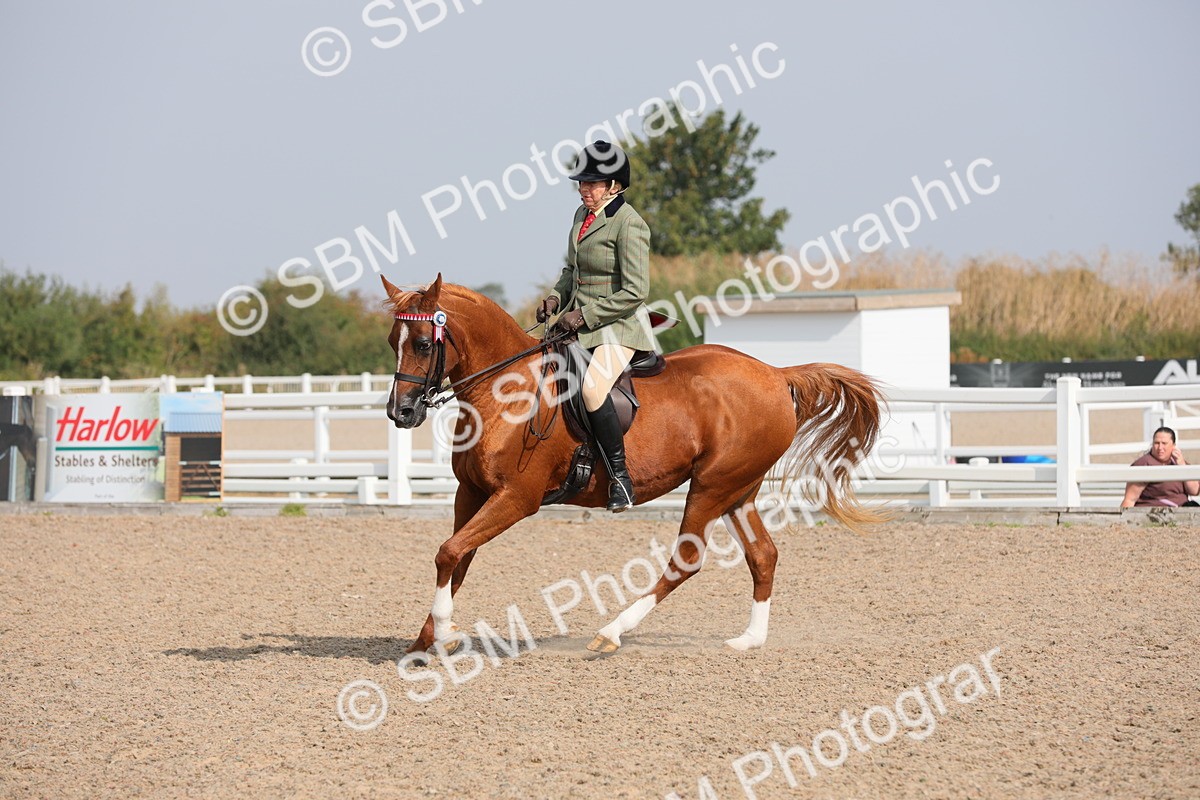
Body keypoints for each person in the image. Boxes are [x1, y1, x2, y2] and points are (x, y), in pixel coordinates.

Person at [535, 140, 655, 512]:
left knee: (590, 390)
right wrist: (556, 297)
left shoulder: (630, 224)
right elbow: (572, 270)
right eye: (582, 183)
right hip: (577, 323)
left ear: (614, 185)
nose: (584, 189)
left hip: (619, 327)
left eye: (592, 183)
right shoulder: (580, 216)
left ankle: (620, 477)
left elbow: (636, 290)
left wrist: (584, 316)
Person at [1120, 426, 1200, 508]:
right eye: (1157, 443)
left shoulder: (1178, 462)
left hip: (1183, 511)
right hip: (1156, 514)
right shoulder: (1144, 464)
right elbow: (1130, 499)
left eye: (1164, 443)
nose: (1160, 448)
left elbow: (1194, 491)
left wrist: (1183, 466)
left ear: (1173, 445)